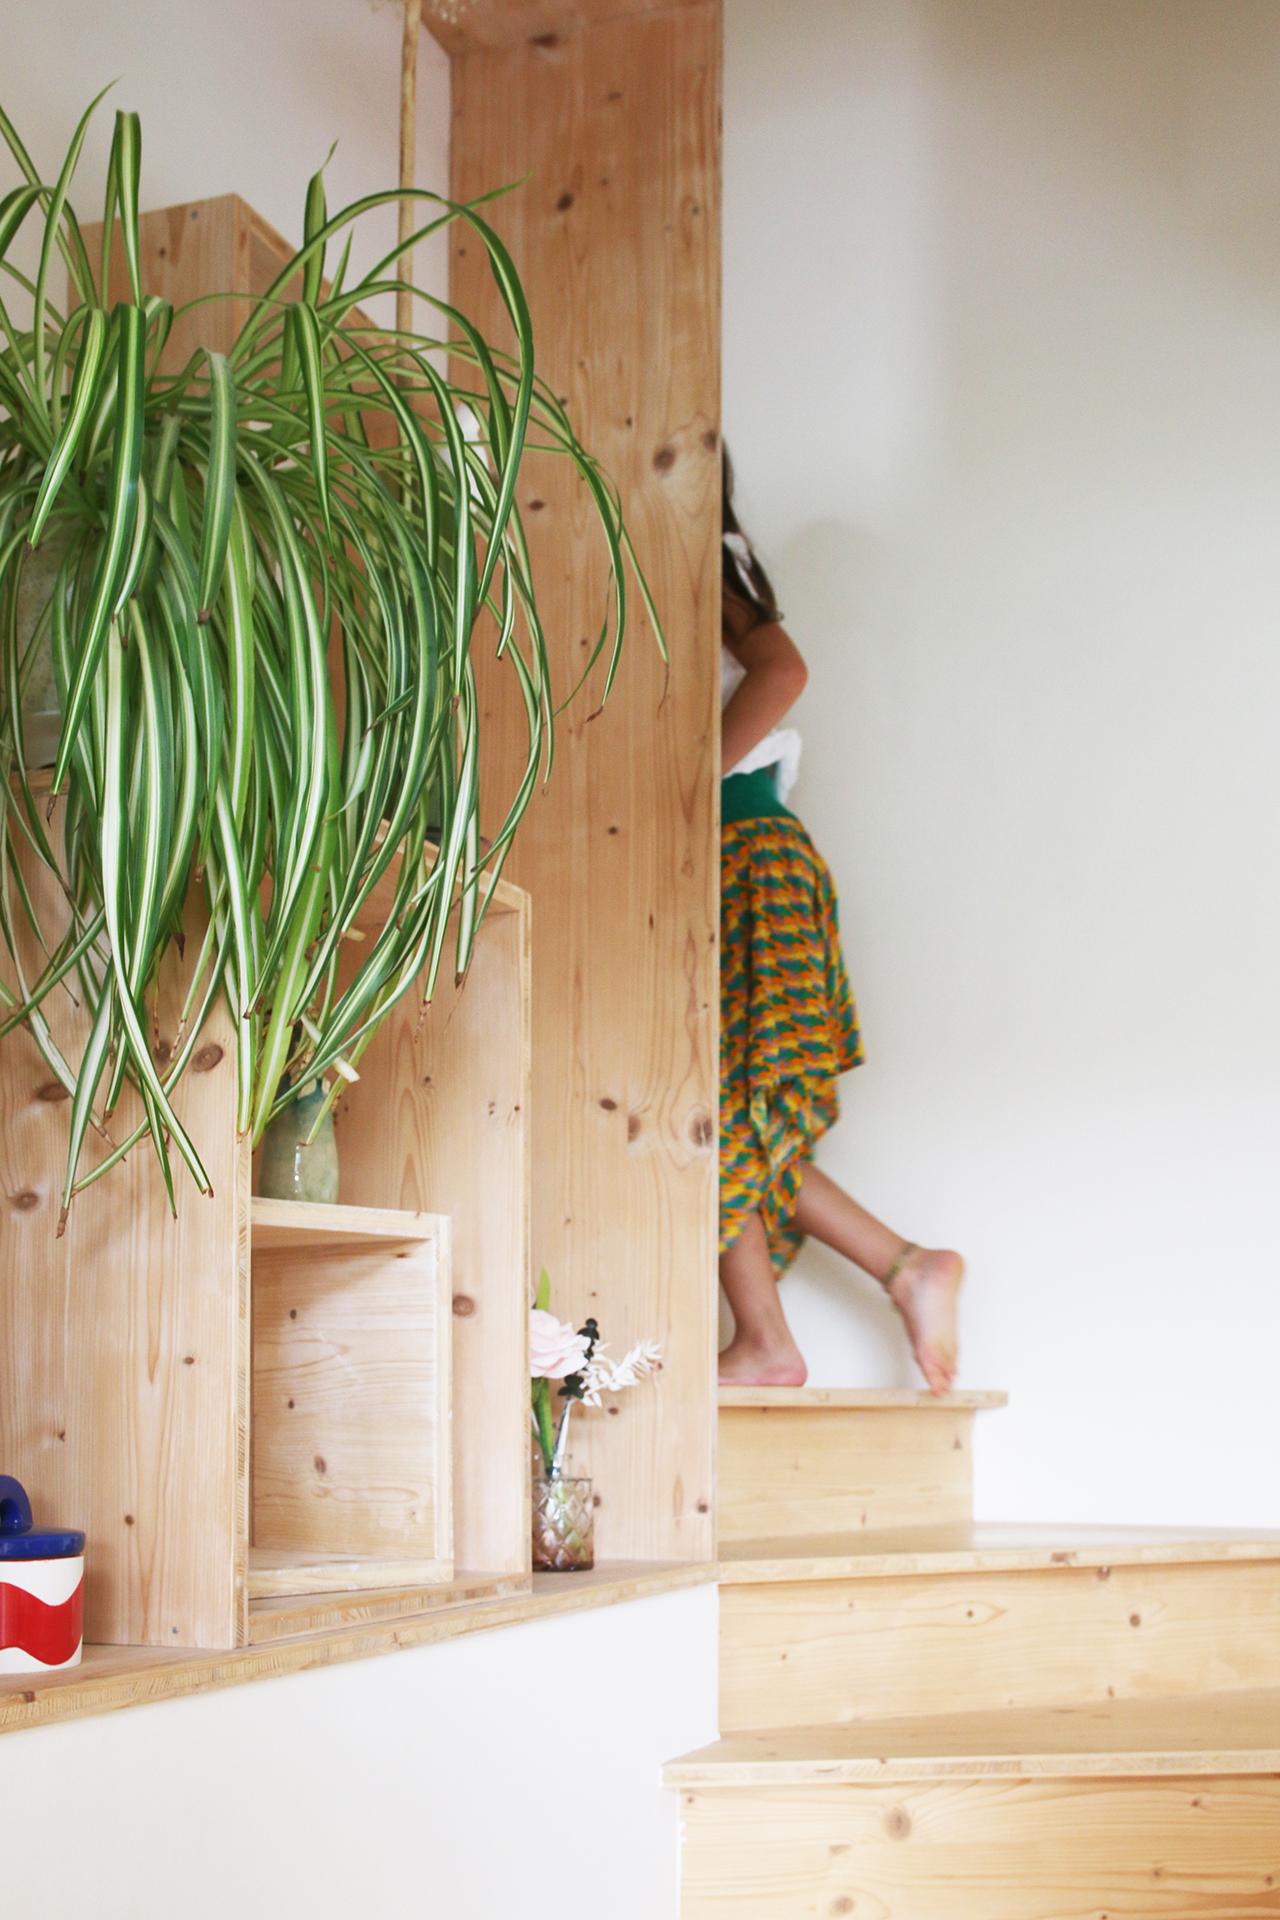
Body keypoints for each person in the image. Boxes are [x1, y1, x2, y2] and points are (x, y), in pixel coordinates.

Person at [718, 450, 963, 1393]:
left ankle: (773, 1336)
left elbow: (782, 670)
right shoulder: (702, 558)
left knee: (706, 1106)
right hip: (758, 854)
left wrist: (682, 790)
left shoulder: (695, 554)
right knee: (721, 1107)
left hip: (741, 853)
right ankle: (894, 1270)